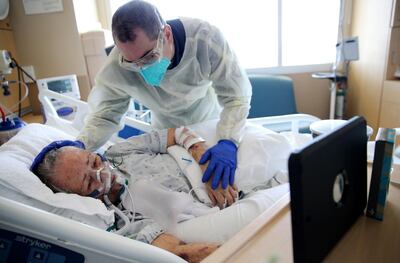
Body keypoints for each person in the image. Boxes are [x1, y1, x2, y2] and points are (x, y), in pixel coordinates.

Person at [77, 0, 252, 191]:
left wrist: (228, 140)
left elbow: (237, 96)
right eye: (132, 63)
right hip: (166, 135)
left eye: (149, 57)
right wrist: (80, 144)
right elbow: (104, 115)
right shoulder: (117, 65)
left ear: (166, 34)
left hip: (210, 125)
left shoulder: (205, 39)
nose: (142, 68)